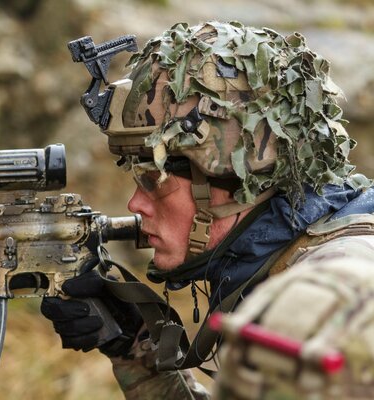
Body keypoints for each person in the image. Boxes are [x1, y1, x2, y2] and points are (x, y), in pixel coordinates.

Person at [41, 21, 374, 399]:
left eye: (154, 178)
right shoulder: (286, 263)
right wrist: (137, 351)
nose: (135, 204)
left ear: (238, 177)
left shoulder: (323, 303)